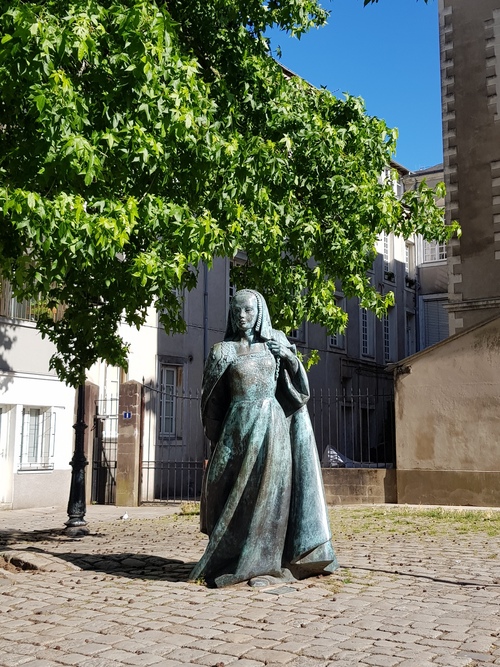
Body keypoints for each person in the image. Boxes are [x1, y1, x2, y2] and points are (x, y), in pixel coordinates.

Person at [190, 289, 338, 588]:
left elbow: (300, 392)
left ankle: (265, 567)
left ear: (259, 313)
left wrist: (292, 360)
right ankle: (230, 558)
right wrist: (216, 435)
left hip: (272, 428)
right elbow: (211, 401)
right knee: (228, 491)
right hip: (236, 429)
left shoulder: (277, 342)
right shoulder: (223, 351)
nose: (242, 316)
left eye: (248, 310)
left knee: (271, 498)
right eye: (236, 311)